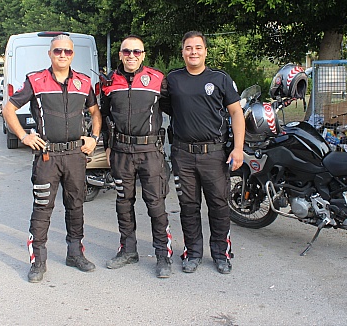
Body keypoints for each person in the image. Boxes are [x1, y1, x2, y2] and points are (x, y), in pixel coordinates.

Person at [3, 34, 102, 283]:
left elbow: (95, 112)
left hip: (75, 156)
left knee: (76, 206)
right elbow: (9, 109)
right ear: (50, 54)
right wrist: (24, 136)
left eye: (67, 51)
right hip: (48, 156)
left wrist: (94, 137)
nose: (62, 55)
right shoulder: (36, 81)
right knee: (42, 208)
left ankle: (75, 254)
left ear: (72, 54)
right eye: (58, 51)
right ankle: (38, 261)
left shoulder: (83, 82)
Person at [162, 31, 245, 275]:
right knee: (188, 206)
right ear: (182, 52)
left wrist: (238, 148)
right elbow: (162, 106)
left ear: (206, 51)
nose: (193, 52)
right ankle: (193, 252)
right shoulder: (173, 79)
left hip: (214, 154)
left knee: (218, 205)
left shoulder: (220, 79)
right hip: (183, 154)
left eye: (198, 47)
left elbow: (236, 113)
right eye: (189, 48)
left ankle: (221, 253)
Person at [100, 35, 172, 278]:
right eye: (126, 51)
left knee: (156, 204)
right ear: (120, 54)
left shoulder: (158, 79)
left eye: (136, 52)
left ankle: (162, 255)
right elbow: (104, 116)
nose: (131, 55)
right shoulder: (109, 81)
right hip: (121, 152)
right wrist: (107, 146)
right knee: (123, 203)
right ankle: (128, 250)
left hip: (150, 152)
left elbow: (178, 109)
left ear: (143, 55)